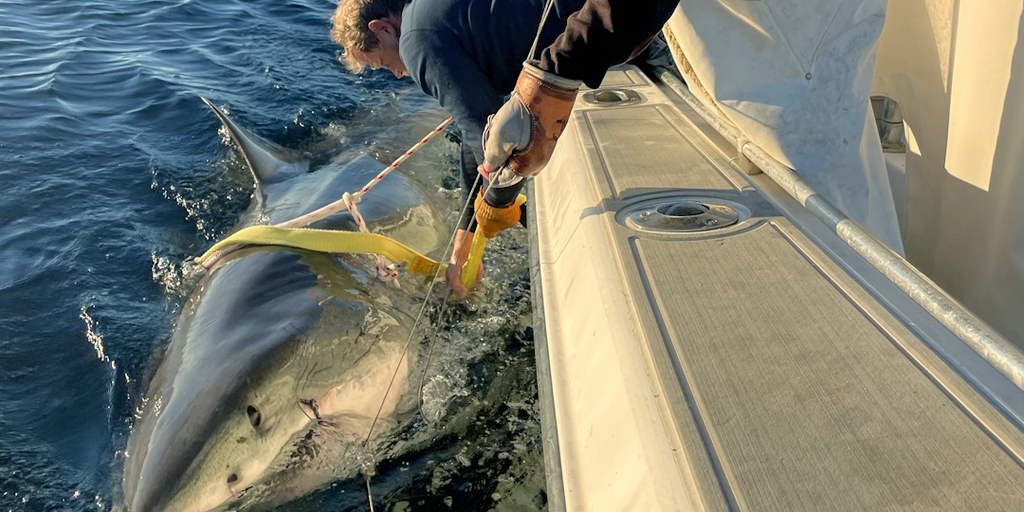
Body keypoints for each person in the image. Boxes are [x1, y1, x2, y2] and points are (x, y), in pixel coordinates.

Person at [330, 0, 587, 297]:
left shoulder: (416, 42)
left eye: (384, 62)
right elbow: (477, 131)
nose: (397, 74)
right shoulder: (436, 16)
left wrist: (502, 206)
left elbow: (490, 139)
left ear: (383, 28)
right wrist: (463, 244)